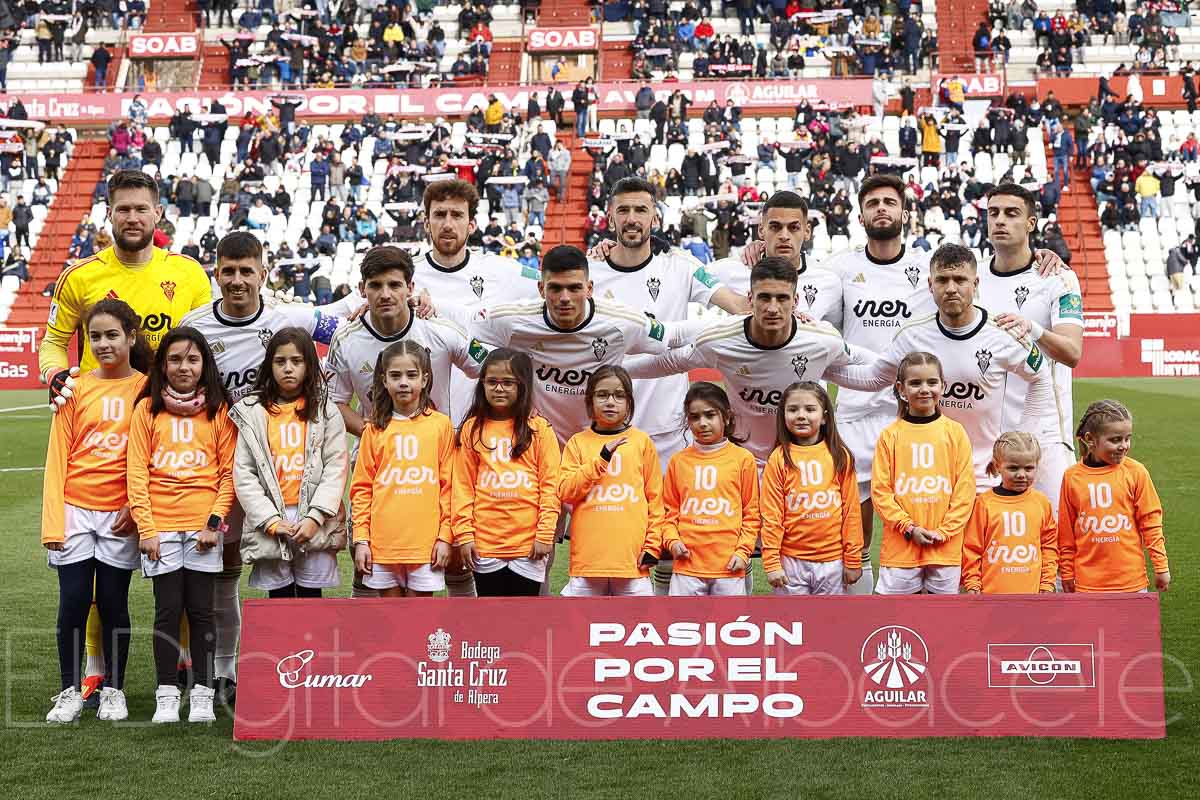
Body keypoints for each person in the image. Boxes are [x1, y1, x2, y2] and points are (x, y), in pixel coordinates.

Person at [39, 169, 210, 701]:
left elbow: (208, 343)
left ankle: (187, 664)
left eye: (142, 208)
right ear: (108, 215)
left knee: (181, 556)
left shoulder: (187, 274)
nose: (132, 217)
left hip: (174, 433)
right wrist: (57, 375)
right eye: (123, 209)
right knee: (94, 579)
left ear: (159, 214)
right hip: (101, 427)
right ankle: (94, 671)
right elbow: (53, 341)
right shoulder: (80, 277)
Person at [827, 243, 1054, 487]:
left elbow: (1041, 378)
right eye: (942, 280)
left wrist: (1023, 434)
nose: (951, 289)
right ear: (930, 285)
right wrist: (820, 366)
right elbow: (874, 378)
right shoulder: (912, 336)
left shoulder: (1004, 334)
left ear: (975, 285)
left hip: (983, 476)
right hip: (929, 479)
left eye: (960, 280)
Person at [626, 257, 858, 466]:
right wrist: (620, 370)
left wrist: (892, 369)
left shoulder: (822, 339)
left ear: (795, 301)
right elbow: (672, 359)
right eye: (764, 297)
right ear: (750, 298)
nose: (773, 308)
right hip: (743, 464)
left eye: (782, 298)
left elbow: (862, 364)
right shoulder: (720, 339)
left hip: (799, 462)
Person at [42, 300, 151, 724]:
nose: (103, 343)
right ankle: (69, 690)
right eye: (95, 336)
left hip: (120, 515)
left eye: (111, 335)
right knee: (71, 602)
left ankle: (114, 691)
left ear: (130, 336)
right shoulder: (75, 388)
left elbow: (150, 455)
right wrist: (53, 520)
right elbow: (58, 457)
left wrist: (134, 506)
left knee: (112, 603)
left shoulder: (146, 389)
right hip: (74, 511)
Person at [127, 327, 235, 723]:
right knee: (167, 610)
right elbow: (136, 473)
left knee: (202, 612)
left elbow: (228, 475)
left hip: (203, 529)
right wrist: (147, 528)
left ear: (204, 364)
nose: (184, 367)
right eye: (175, 359)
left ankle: (204, 693)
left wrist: (214, 522)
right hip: (162, 528)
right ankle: (167, 692)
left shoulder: (218, 410)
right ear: (162, 365)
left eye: (192, 359)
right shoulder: (146, 411)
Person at [979, 184, 1084, 509]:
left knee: (1053, 536)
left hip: (1045, 433)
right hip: (985, 435)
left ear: (1031, 223)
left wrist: (1033, 329)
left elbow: (1072, 353)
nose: (1000, 221)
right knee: (989, 541)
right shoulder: (972, 276)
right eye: (994, 213)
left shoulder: (1059, 279)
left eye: (1012, 214)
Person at [230, 329, 348, 599]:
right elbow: (244, 474)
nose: (288, 368)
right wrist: (270, 520)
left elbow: (336, 467)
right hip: (271, 520)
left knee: (310, 597)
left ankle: (311, 644)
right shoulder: (253, 412)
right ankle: (282, 644)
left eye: (297, 361)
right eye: (280, 361)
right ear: (269, 365)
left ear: (309, 364)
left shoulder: (325, 410)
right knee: (279, 600)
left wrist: (315, 517)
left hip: (315, 520)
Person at [452, 349, 560, 596]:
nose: (499, 388)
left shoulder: (539, 429)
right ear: (482, 385)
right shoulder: (471, 429)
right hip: (485, 544)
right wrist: (465, 535)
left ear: (523, 386)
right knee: (493, 624)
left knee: (525, 622)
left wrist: (545, 534)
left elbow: (551, 486)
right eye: (492, 382)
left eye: (508, 382)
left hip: (528, 546)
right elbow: (462, 487)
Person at [349, 340, 453, 597]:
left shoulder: (441, 426)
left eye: (411, 375)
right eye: (395, 376)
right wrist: (362, 539)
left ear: (425, 379)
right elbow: (361, 489)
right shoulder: (373, 430)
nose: (403, 382)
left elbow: (450, 487)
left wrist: (445, 537)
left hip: (426, 545)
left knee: (420, 625)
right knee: (392, 626)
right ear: (384, 380)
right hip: (383, 545)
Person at [871, 352, 976, 594]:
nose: (924, 389)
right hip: (901, 548)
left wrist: (945, 532)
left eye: (932, 382)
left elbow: (964, 490)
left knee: (943, 623)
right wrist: (908, 528)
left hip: (945, 549)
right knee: (894, 620)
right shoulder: (890, 435)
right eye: (915, 383)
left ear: (943, 385)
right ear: (901, 389)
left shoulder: (955, 432)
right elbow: (881, 493)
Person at [557, 366, 662, 597]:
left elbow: (655, 500)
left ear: (629, 403)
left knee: (635, 630)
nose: (610, 402)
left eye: (619, 395)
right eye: (602, 395)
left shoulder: (641, 442)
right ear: (590, 401)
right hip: (588, 562)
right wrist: (601, 459)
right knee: (577, 630)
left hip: (632, 563)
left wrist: (653, 545)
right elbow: (565, 491)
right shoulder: (578, 442)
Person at [761, 382, 862, 595]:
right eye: (792, 409)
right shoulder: (778, 459)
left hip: (833, 561)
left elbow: (851, 512)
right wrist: (772, 563)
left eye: (810, 409)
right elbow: (771, 516)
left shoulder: (839, 456)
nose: (800, 415)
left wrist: (853, 558)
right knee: (792, 625)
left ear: (824, 417)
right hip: (791, 562)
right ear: (783, 415)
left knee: (830, 625)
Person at [1059, 400, 1170, 594]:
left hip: (1132, 582)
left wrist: (1161, 567)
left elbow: (1151, 522)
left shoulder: (1136, 472)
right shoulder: (1072, 477)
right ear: (1090, 439)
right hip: (1087, 584)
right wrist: (1067, 572)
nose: (1124, 446)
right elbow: (1066, 530)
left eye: (1127, 438)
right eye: (1115, 440)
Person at [661, 383, 758, 596]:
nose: (702, 423)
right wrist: (673, 541)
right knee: (683, 628)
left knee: (732, 628)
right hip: (687, 567)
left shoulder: (743, 459)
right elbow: (668, 514)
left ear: (726, 417)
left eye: (710, 415)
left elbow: (752, 514)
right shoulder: (678, 462)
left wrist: (743, 552)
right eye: (695, 417)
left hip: (729, 567)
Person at [712, 191, 841, 318]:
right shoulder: (732, 270)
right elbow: (694, 277)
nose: (784, 236)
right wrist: (739, 303)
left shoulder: (828, 280)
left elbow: (836, 333)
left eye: (793, 228)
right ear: (761, 230)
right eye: (775, 227)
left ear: (807, 232)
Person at [962, 432, 1058, 594]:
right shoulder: (984, 503)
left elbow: (1049, 546)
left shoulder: (1041, 502)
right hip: (990, 598)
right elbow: (972, 548)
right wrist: (972, 583)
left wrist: (1047, 583)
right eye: (1013, 468)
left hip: (1032, 599)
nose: (1021, 474)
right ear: (998, 465)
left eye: (1028, 468)